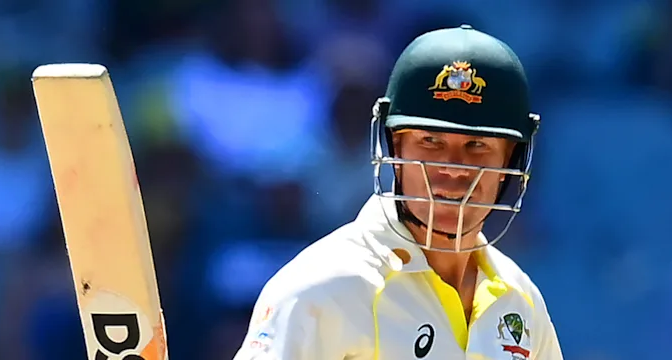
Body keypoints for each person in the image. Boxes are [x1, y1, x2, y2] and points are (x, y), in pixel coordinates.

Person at [233, 24, 563, 360]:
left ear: (511, 159)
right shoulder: (321, 289)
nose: (453, 168)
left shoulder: (520, 301)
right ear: (394, 148)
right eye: (430, 142)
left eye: (476, 145)